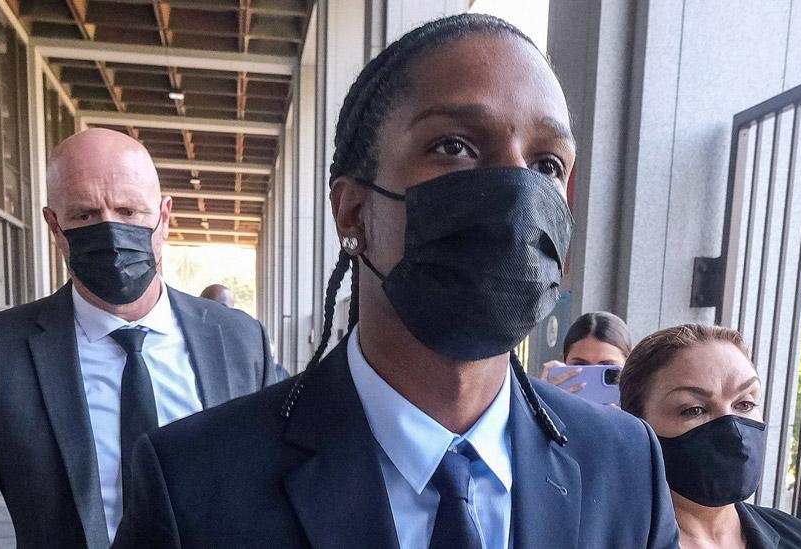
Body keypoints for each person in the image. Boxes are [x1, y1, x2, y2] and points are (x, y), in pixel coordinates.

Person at [113, 14, 679, 548]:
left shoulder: (625, 466)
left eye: (546, 165)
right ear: (354, 211)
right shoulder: (195, 482)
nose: (514, 195)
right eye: (454, 147)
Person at [0, 128, 276, 548]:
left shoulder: (239, 339)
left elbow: (284, 472)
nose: (112, 233)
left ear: (164, 216)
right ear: (54, 225)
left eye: (129, 210)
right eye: (85, 215)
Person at [618, 324, 801, 549]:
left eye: (745, 404)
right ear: (636, 425)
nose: (732, 429)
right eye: (694, 409)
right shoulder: (601, 539)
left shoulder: (799, 539)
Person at [541, 311, 632, 393]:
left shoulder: (640, 407)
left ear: (628, 366)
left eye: (608, 369)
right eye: (580, 365)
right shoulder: (548, 406)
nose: (592, 379)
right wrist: (539, 400)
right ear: (563, 363)